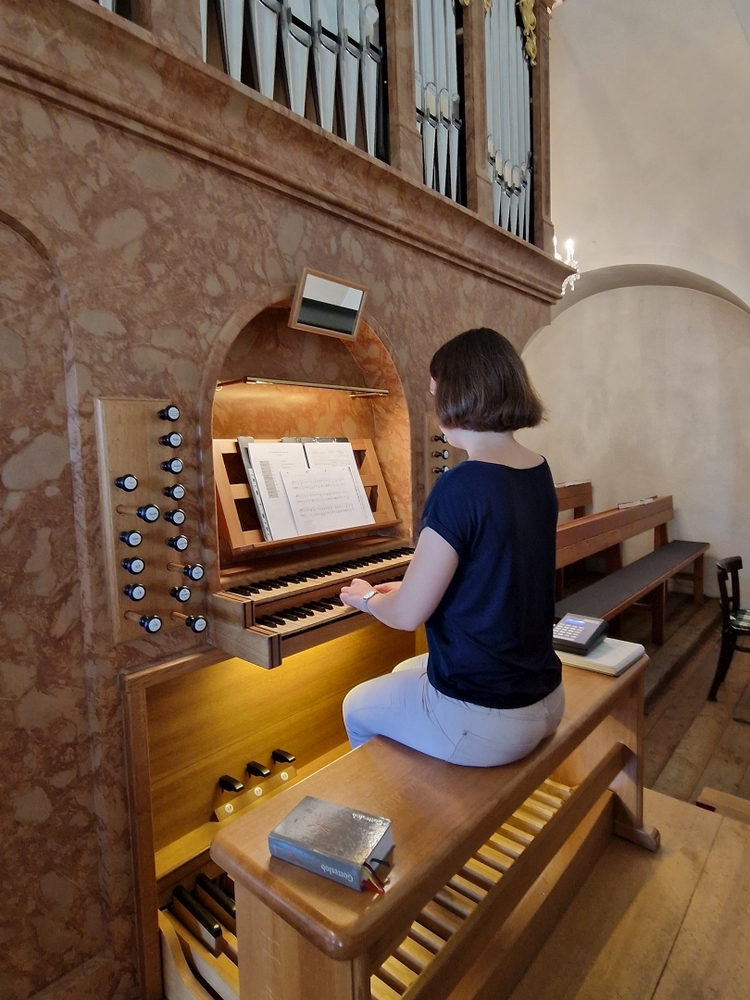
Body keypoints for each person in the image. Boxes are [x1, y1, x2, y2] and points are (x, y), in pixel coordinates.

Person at [340, 327, 564, 767]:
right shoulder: (538, 469)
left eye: (435, 393)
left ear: (459, 394)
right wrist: (406, 590)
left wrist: (367, 598)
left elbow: (407, 617)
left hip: (489, 717)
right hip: (544, 696)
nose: (435, 406)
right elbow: (492, 572)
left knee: (355, 706)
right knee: (404, 671)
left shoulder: (461, 485)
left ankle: (409, 805)